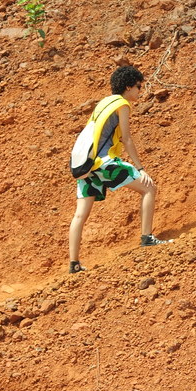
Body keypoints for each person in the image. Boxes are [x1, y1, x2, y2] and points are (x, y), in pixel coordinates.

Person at [68, 65, 168, 273]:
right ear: (129, 86)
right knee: (149, 188)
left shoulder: (104, 102)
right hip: (104, 162)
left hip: (87, 166)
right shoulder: (122, 104)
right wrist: (140, 168)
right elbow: (126, 138)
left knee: (79, 216)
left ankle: (74, 264)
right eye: (139, 86)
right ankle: (147, 238)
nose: (140, 91)